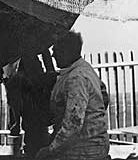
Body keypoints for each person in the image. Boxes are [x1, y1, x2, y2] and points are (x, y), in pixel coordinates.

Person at [36, 31, 109, 160]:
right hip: (91, 146)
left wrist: (50, 150)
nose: (53, 55)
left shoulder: (76, 78)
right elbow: (104, 97)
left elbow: (74, 122)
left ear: (66, 51)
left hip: (83, 152)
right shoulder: (85, 69)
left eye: (56, 51)